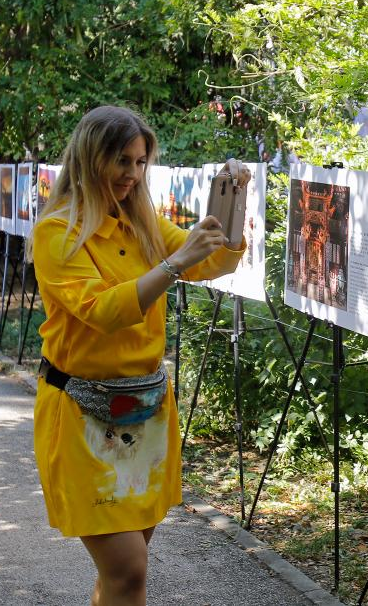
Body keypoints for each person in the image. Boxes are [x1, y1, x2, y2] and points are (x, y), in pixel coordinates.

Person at [30, 106, 249, 606]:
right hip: (82, 414)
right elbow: (103, 311)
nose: (132, 173)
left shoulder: (141, 222)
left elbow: (214, 261)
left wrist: (234, 201)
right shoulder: (57, 232)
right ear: (90, 158)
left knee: (121, 574)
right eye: (122, 161)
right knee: (128, 569)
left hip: (144, 409)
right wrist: (174, 263)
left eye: (140, 161)